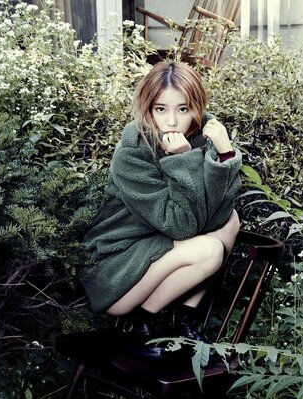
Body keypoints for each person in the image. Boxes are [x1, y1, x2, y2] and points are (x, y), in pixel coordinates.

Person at [81, 60, 241, 358]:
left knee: (231, 221)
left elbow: (218, 213)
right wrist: (184, 160)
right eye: (160, 109)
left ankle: (184, 323)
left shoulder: (202, 133)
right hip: (119, 268)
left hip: (156, 250)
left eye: (183, 109)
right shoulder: (133, 150)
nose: (171, 121)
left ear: (196, 107)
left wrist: (225, 152)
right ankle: (138, 326)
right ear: (147, 107)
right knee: (209, 250)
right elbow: (181, 225)